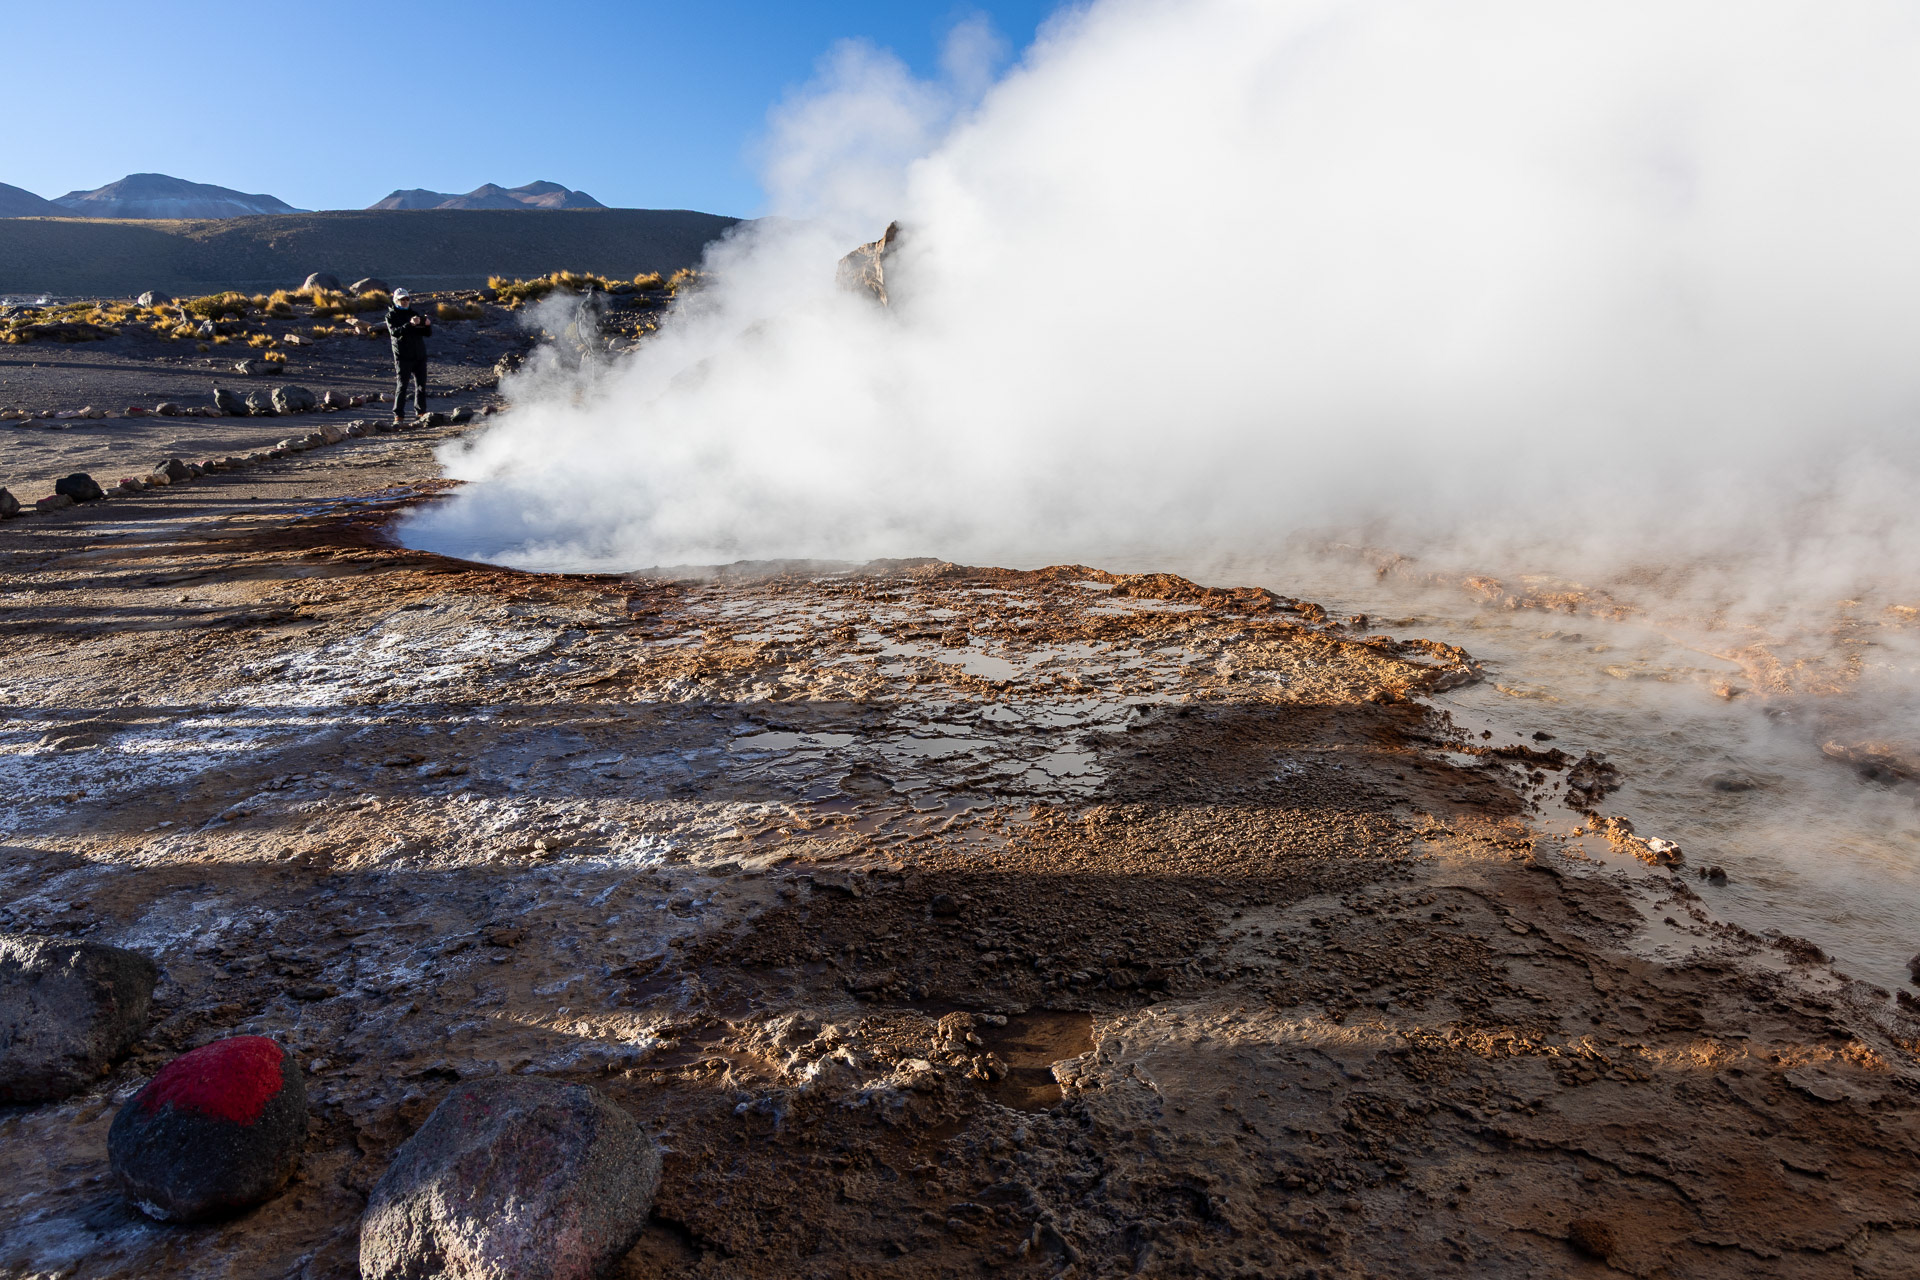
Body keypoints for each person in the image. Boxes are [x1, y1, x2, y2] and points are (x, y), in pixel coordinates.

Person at [384, 287, 432, 424]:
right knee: (402, 386)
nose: (405, 301)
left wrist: (427, 325)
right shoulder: (391, 316)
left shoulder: (414, 313)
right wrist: (410, 324)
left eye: (407, 299)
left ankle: (421, 413)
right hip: (403, 356)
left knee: (421, 386)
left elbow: (426, 334)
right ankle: (398, 415)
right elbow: (395, 332)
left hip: (419, 355)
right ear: (396, 300)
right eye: (402, 299)